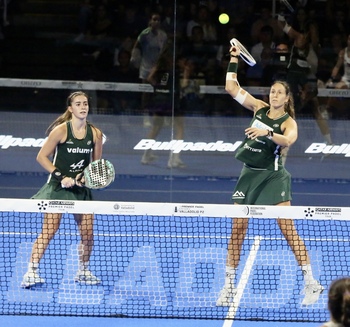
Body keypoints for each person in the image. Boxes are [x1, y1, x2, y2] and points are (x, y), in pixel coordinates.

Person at [216, 44, 324, 307]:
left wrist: (266, 133)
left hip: (274, 176)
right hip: (248, 175)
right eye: (272, 91)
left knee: (287, 229)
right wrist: (233, 59)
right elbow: (232, 88)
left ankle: (311, 283)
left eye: (279, 92)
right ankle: (228, 285)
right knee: (237, 230)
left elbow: (288, 141)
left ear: (286, 98)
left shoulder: (289, 121)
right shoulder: (259, 108)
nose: (274, 94)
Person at [21, 91, 103, 288]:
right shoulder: (60, 131)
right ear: (70, 108)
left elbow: (96, 165)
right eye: (78, 104)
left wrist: (84, 178)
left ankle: (83, 271)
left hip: (80, 190)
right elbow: (41, 157)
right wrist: (62, 177)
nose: (83, 107)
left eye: (85, 103)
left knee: (88, 233)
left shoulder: (96, 134)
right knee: (49, 229)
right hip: (58, 187)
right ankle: (30, 272)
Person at [277, 12, 333, 147]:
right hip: (294, 76)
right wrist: (280, 14)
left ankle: (329, 141)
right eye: (312, 31)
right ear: (307, 33)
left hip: (308, 79)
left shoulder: (316, 47)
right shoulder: (299, 37)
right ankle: (282, 138)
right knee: (288, 107)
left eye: (316, 32)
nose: (315, 34)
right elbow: (282, 24)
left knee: (315, 109)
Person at [141, 47, 185, 168]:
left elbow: (149, 78)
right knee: (179, 128)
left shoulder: (159, 67)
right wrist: (186, 73)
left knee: (155, 128)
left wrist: (158, 86)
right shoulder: (174, 71)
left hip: (158, 100)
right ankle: (174, 160)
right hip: (171, 102)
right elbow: (183, 85)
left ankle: (146, 156)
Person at [130, 12, 168, 127]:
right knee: (146, 93)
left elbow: (165, 51)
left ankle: (162, 116)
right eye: (154, 19)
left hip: (159, 68)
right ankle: (145, 116)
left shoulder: (163, 35)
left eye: (158, 20)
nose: (156, 22)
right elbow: (136, 46)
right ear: (150, 21)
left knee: (161, 93)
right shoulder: (145, 34)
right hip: (146, 68)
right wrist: (134, 58)